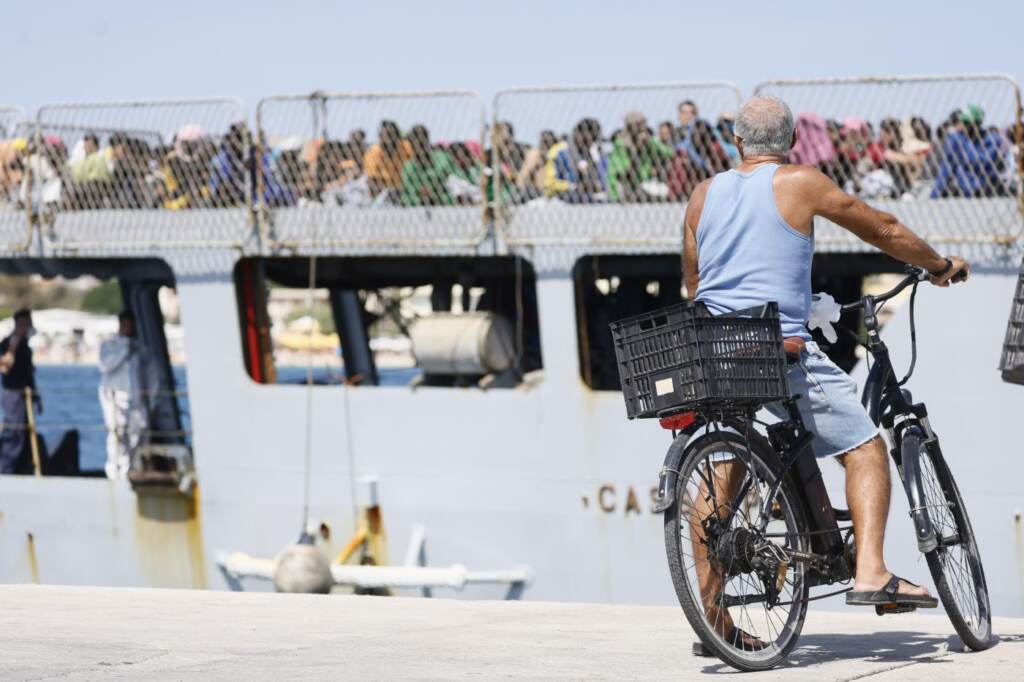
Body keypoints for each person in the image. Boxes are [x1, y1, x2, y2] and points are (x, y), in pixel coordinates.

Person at [682, 95, 970, 647]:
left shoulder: (703, 194)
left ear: (736, 142)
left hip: (715, 351)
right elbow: (881, 227)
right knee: (864, 448)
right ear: (789, 142)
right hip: (777, 348)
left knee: (727, 471)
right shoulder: (799, 182)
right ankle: (870, 571)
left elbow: (695, 280)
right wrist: (937, 266)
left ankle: (713, 619)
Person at [98, 310, 160, 480]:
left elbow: (152, 373)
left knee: (138, 434)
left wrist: (152, 399)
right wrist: (125, 350)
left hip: (136, 399)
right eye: (125, 324)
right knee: (116, 436)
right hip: (114, 399)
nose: (128, 328)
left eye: (130, 325)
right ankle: (115, 473)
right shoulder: (109, 345)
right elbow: (105, 366)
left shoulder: (140, 349)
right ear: (120, 324)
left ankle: (132, 469)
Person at [0, 309, 39, 474]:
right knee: (14, 432)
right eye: (23, 324)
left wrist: (38, 397)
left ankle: (21, 469)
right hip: (12, 394)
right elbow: (4, 368)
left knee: (24, 433)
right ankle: (5, 470)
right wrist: (13, 347)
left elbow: (29, 374)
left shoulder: (26, 346)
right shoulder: (8, 343)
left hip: (26, 394)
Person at [607, 111, 673, 202]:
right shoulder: (621, 145)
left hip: (645, 183)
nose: (643, 128)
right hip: (624, 186)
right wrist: (635, 154)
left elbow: (669, 153)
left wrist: (649, 142)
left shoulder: (648, 142)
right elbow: (622, 173)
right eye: (640, 125)